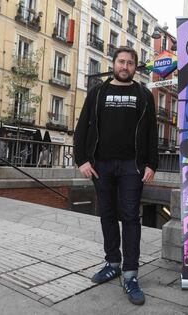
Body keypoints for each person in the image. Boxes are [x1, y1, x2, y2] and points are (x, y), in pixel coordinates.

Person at [74, 46, 158, 305]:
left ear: (135, 67)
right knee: (107, 214)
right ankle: (112, 263)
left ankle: (131, 274)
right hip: (102, 165)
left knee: (131, 217)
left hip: (132, 166)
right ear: (113, 64)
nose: (125, 66)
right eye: (121, 62)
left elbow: (151, 133)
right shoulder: (98, 92)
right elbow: (82, 126)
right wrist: (82, 160)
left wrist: (151, 164)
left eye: (130, 63)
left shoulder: (144, 95)